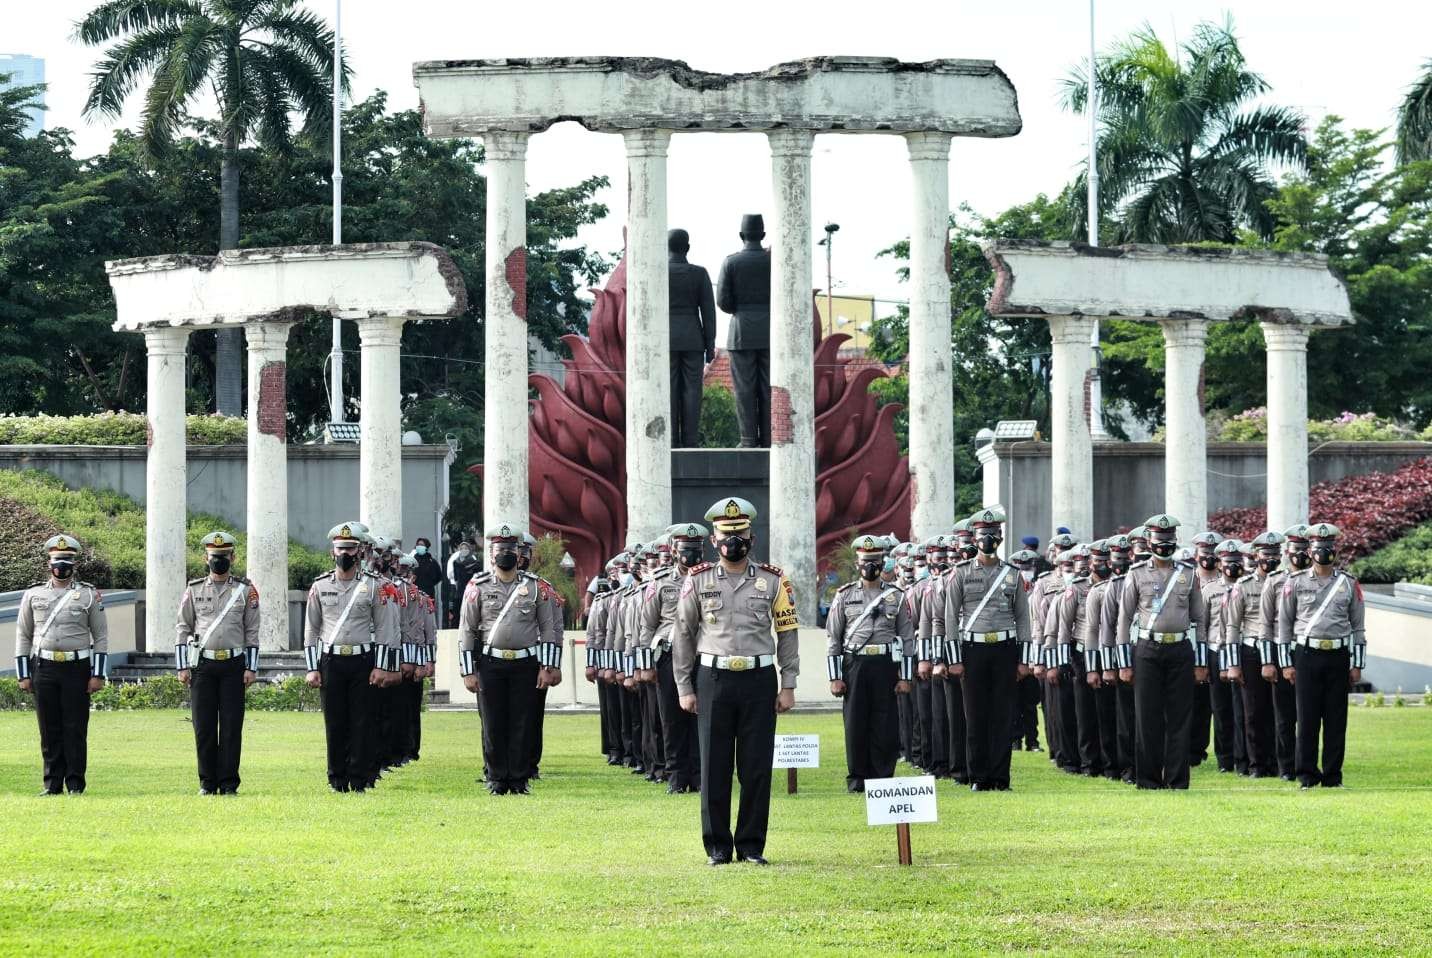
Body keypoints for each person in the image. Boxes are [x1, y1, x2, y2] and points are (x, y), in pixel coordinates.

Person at [673, 496, 799, 866]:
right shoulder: (697, 581)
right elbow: (682, 633)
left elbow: (787, 631)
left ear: (752, 537)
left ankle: (751, 846)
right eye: (726, 534)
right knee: (714, 766)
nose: (733, 541)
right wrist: (684, 686)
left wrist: (788, 682)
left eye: (740, 533)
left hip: (759, 679)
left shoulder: (774, 581)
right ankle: (717, 847)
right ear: (713, 540)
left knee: (756, 766)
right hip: (713, 677)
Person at [458, 524, 562, 795]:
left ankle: (518, 779)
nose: (505, 554)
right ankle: (496, 778)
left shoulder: (535, 587)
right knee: (493, 723)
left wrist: (547, 667)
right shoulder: (477, 586)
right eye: (500, 550)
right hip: (490, 664)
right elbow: (467, 630)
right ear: (491, 555)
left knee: (522, 722)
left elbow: (548, 628)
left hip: (525, 665)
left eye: (510, 550)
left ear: (519, 554)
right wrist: (468, 671)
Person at [304, 522, 402, 793]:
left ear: (359, 552)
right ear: (332, 552)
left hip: (363, 661)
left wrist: (382, 666)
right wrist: (312, 667)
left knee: (363, 721)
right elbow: (312, 628)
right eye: (340, 548)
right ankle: (337, 778)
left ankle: (359, 778)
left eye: (350, 548)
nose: (344, 553)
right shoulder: (320, 586)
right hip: (331, 661)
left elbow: (384, 627)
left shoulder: (374, 586)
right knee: (335, 722)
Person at [1115, 514, 1208, 790]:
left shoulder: (1188, 574)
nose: (1164, 547)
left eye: (1169, 542)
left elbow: (1199, 619)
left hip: (1180, 649)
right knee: (1147, 717)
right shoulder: (1137, 573)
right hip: (1147, 649)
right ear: (1149, 543)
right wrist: (1124, 663)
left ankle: (1177, 779)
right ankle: (1148, 779)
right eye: (1159, 542)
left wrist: (1200, 661)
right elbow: (1123, 619)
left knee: (1180, 718)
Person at [942, 506, 1031, 791]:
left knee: (1003, 716)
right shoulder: (961, 573)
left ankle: (1000, 777)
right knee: (976, 716)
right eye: (983, 535)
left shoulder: (1012, 574)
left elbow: (1024, 619)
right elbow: (950, 619)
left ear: (1001, 537)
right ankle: (979, 776)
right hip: (973, 650)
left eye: (993, 534)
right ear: (974, 539)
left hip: (1004, 649)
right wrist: (954, 659)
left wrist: (1024, 660)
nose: (988, 539)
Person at [15, 534, 109, 796]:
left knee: (75, 728)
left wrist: (98, 674)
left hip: (76, 669)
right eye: (57, 560)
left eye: (66, 560)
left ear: (74, 564)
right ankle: (52, 783)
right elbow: (23, 634)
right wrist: (24, 674)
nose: (61, 565)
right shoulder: (33, 594)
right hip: (43, 667)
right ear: (49, 563)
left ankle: (75, 783)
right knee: (49, 728)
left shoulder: (88, 595)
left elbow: (100, 636)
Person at [1277, 522, 1365, 789]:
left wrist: (1357, 663)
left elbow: (1358, 626)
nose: (1323, 553)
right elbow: (1284, 624)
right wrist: (1285, 663)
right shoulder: (1295, 582)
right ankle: (1306, 775)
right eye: (1319, 548)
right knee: (1307, 717)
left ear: (1335, 551)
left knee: (1337, 718)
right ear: (1311, 550)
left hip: (1338, 655)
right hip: (1306, 654)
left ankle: (1332, 776)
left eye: (1328, 548)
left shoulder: (1348, 583)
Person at [827, 534, 914, 793]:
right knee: (855, 722)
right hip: (855, 664)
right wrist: (835, 677)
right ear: (857, 564)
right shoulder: (844, 595)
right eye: (866, 561)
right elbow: (833, 638)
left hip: (885, 664)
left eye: (875, 560)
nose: (871, 566)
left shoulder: (896, 597)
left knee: (885, 723)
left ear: (883, 562)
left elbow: (907, 638)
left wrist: (905, 677)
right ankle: (857, 778)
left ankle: (882, 777)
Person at [176, 530, 260, 795]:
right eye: (214, 556)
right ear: (206, 558)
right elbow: (182, 627)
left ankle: (228, 783)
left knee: (232, 726)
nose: (219, 560)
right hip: (203, 666)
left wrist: (251, 667)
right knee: (203, 727)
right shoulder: (194, 589)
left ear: (232, 557)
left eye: (223, 556)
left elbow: (252, 631)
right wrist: (182, 666)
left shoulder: (245, 591)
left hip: (234, 666)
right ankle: (207, 782)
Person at [647, 524, 707, 793]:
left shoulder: (710, 579)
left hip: (702, 655)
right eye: (685, 550)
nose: (690, 556)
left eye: (695, 550)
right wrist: (643, 665)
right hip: (668, 654)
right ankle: (676, 775)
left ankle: (698, 775)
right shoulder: (659, 582)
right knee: (671, 718)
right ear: (673, 551)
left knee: (701, 717)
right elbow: (645, 627)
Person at [716, 215, 772, 448]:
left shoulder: (731, 263)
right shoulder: (773, 262)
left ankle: (748, 440)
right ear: (763, 235)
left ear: (741, 235)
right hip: (771, 330)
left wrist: (741, 310)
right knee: (770, 387)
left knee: (744, 389)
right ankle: (770, 438)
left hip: (741, 332)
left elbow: (723, 301)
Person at [1261, 526, 1309, 780]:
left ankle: (1305, 762)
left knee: (1308, 715)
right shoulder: (1275, 580)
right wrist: (1269, 660)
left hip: (1308, 651)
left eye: (1304, 549)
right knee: (1284, 716)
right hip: (1282, 653)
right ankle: (1286, 766)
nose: (1299, 555)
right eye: (1295, 550)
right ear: (1286, 553)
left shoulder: (1320, 579)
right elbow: (1266, 624)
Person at [518, 532, 565, 782]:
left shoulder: (542, 588)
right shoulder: (487, 585)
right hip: (501, 657)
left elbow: (554, 630)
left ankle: (529, 763)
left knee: (532, 714)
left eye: (525, 554)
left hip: (535, 657)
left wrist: (552, 664)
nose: (521, 558)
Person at [668, 228, 718, 447]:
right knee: (692, 391)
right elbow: (708, 313)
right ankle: (690, 441)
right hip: (693, 339)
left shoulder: (657, 272)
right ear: (687, 248)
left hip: (665, 339)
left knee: (668, 388)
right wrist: (710, 345)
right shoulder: (699, 273)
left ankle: (670, 439)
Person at [395, 553, 437, 764]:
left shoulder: (419, 598)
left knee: (410, 706)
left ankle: (411, 748)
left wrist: (426, 661)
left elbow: (425, 632)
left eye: (407, 572)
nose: (404, 576)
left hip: (412, 656)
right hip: (391, 657)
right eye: (401, 570)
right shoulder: (389, 592)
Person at [1006, 549, 1043, 753]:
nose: (1025, 572)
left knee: (1030, 701)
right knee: (1012, 700)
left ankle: (1033, 740)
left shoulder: (1038, 589)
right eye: (1021, 568)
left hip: (1034, 650)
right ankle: (1014, 739)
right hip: (1014, 649)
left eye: (1028, 568)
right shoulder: (1009, 589)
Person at [447, 539, 481, 626]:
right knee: (457, 613)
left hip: (471, 591)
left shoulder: (474, 563)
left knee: (469, 613)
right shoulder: (456, 562)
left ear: (469, 550)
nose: (464, 550)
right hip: (459, 591)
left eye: (466, 548)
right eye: (462, 548)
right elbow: (455, 578)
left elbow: (477, 576)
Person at [411, 537, 444, 602]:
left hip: (428, 592)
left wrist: (429, 584)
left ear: (426, 547)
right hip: (414, 592)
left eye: (422, 545)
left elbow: (439, 576)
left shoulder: (432, 562)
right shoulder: (412, 560)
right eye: (418, 545)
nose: (419, 546)